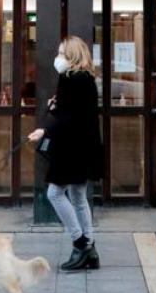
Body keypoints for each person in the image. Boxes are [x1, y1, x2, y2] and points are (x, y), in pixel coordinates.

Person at [27, 36, 103, 271]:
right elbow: (73, 110)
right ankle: (89, 250)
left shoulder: (70, 78)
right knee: (79, 198)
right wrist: (55, 106)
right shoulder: (87, 78)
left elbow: (68, 117)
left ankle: (80, 242)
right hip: (83, 146)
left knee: (55, 194)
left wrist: (43, 129)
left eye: (61, 53)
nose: (57, 57)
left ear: (72, 55)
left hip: (70, 147)